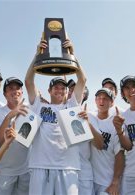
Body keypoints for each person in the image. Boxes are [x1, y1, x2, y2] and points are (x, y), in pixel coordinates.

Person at [25, 39, 87, 194]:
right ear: (49, 90)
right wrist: (37, 55)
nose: (60, 90)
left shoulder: (71, 106)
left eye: (63, 88)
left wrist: (72, 55)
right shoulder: (39, 105)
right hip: (40, 165)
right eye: (56, 87)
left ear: (67, 91)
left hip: (68, 166)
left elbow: (82, 80)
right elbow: (28, 81)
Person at [0, 77, 29, 195]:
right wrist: (9, 117)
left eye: (18, 88)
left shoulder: (31, 109)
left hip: (26, 170)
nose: (15, 91)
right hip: (5, 171)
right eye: (10, 89)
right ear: (5, 94)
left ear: (22, 92)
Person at [89, 88, 124, 195]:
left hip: (107, 182)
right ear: (95, 101)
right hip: (89, 179)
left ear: (112, 102)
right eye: (99, 98)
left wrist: (115, 181)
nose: (101, 101)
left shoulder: (115, 123)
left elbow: (120, 155)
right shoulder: (89, 117)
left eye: (105, 99)